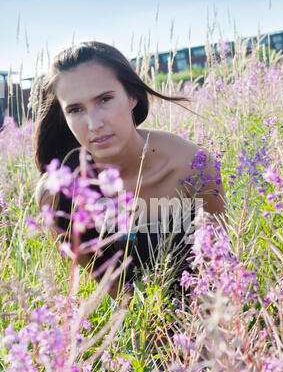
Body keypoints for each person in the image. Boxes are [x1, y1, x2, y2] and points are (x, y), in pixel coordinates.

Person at [34, 41, 226, 300]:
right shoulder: (59, 192)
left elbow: (222, 261)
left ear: (132, 96)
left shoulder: (192, 165)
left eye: (105, 99)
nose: (94, 124)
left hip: (209, 311)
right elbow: (112, 289)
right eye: (75, 109)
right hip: (136, 323)